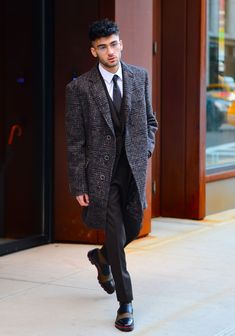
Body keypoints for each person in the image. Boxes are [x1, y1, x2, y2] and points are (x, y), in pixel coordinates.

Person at [65, 18, 157, 332]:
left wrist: (145, 147)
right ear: (94, 51)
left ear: (121, 44)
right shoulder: (79, 89)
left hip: (133, 169)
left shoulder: (139, 77)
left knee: (132, 225)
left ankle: (102, 259)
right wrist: (78, 181)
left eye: (114, 44)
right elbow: (75, 139)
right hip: (102, 176)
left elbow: (150, 121)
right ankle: (125, 303)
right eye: (102, 47)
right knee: (116, 236)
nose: (110, 51)